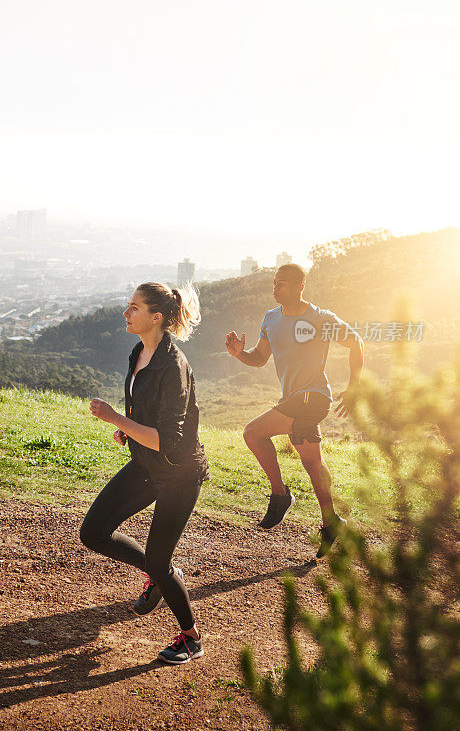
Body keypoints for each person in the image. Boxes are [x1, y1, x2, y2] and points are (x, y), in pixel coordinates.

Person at [80, 282, 209, 664]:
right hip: (147, 464)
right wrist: (128, 427)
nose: (126, 313)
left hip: (179, 474)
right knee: (93, 533)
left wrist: (116, 418)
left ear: (156, 317)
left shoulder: (174, 366)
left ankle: (191, 638)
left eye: (133, 308)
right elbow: (144, 412)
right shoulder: (139, 351)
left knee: (158, 559)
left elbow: (170, 440)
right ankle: (162, 572)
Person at [225, 263, 364, 557]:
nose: (276, 287)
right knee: (312, 463)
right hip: (293, 400)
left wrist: (354, 386)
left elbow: (356, 342)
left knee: (253, 433)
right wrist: (240, 355)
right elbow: (260, 357)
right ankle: (331, 522)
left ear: (301, 286)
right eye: (275, 283)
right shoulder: (271, 318)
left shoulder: (321, 317)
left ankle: (280, 494)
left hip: (313, 396)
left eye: (283, 283)